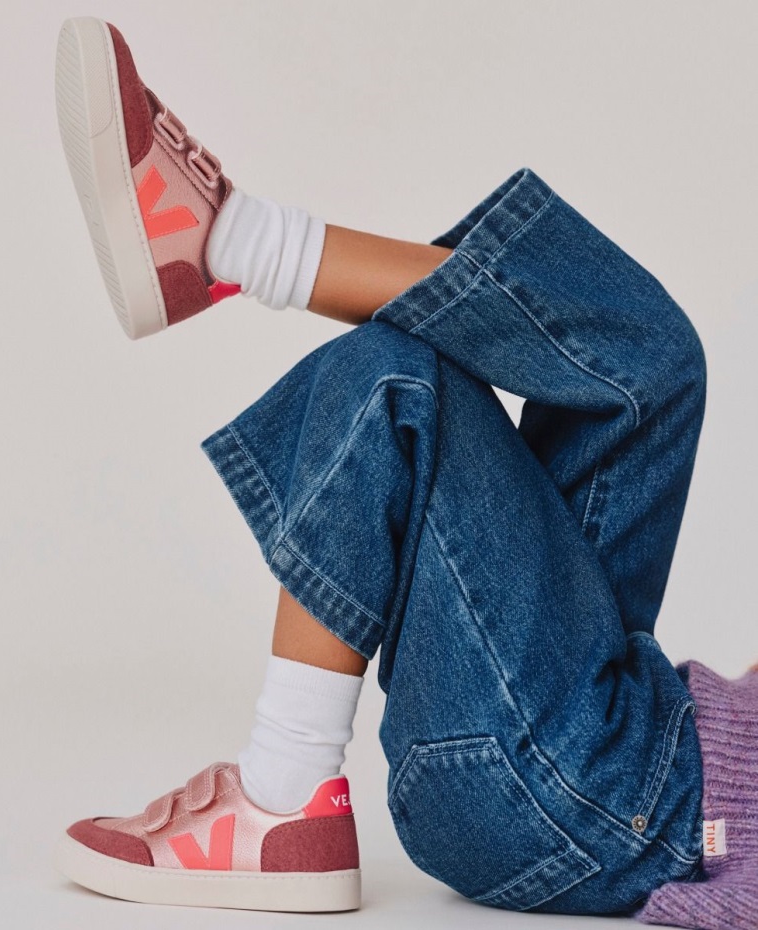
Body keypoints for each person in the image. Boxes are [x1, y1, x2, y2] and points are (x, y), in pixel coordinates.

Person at [53, 16, 757, 925]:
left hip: (596, 801)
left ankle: (283, 798)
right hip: (632, 723)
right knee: (648, 364)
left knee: (396, 385)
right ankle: (224, 244)